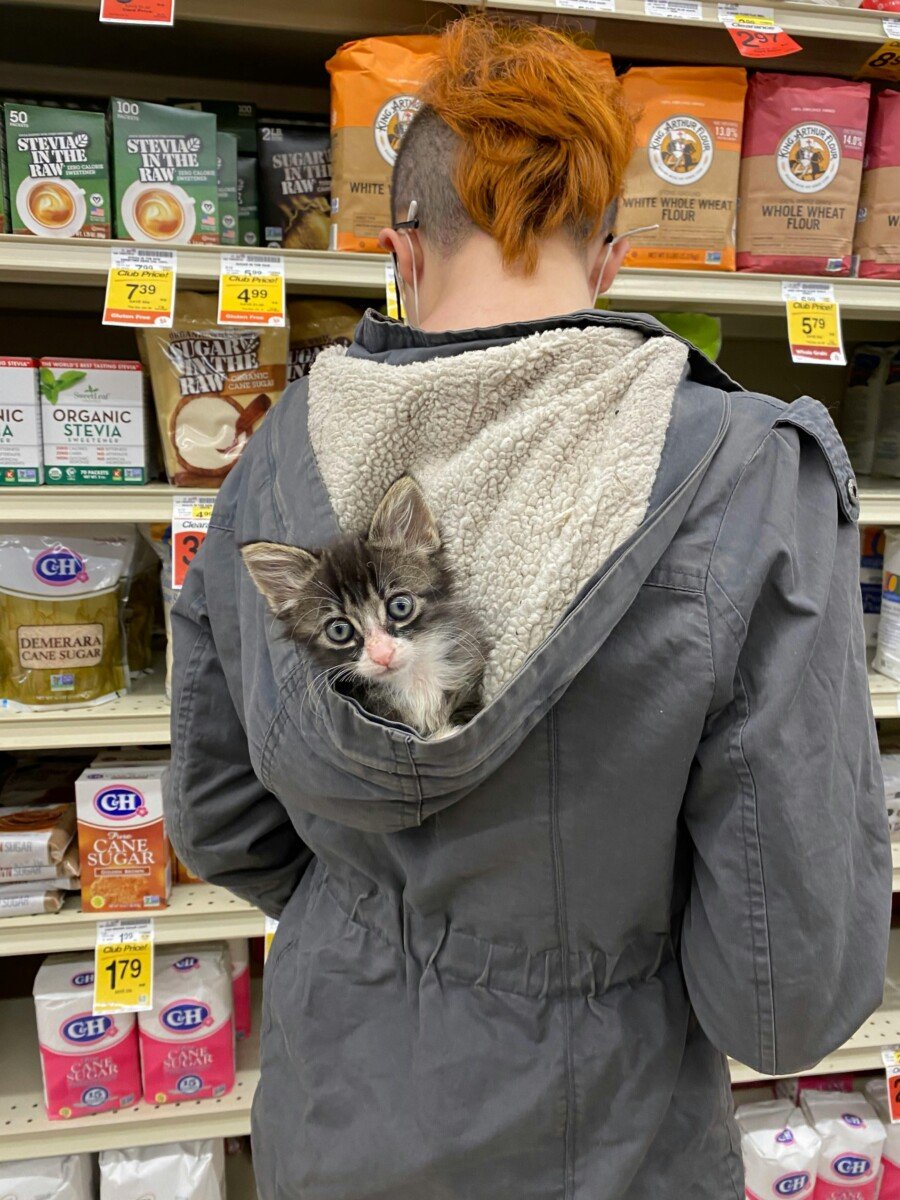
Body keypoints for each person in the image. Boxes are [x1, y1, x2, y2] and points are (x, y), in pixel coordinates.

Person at [165, 16, 891, 1199]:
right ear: (608, 256)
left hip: (334, 1101)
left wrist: (381, 928)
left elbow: (217, 818)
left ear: (403, 246)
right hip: (609, 1138)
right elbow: (783, 992)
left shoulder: (278, 455)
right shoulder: (747, 476)